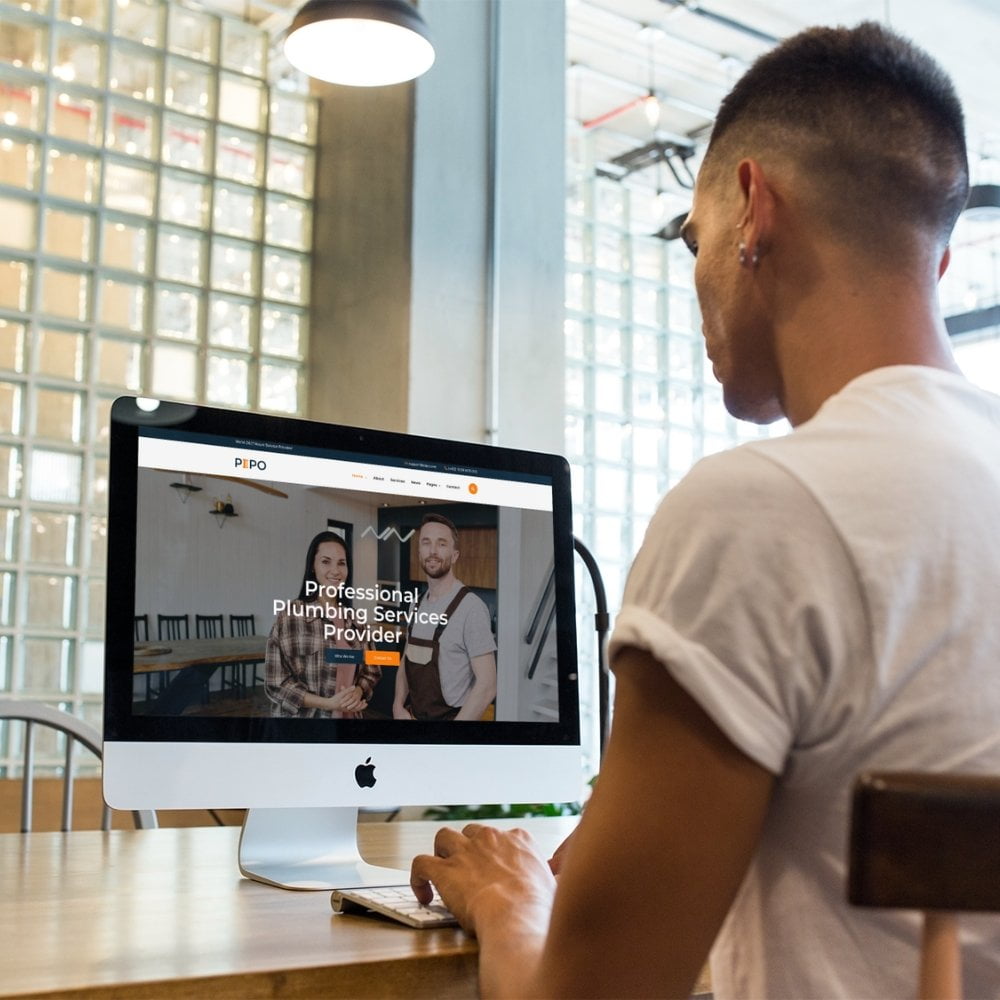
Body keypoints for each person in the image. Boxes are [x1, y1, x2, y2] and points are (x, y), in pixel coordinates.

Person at [408, 22, 1000, 999]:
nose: (697, 279)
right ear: (934, 267)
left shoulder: (760, 511)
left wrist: (510, 903)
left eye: (692, 241)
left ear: (750, 209)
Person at [393, 513, 497, 721]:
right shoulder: (416, 604)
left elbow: (488, 685)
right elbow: (406, 660)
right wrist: (397, 706)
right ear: (419, 551)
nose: (432, 551)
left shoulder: (471, 608)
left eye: (441, 544)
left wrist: (449, 738)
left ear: (455, 554)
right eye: (426, 543)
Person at [265, 530, 380, 718]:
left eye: (341, 563)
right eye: (326, 562)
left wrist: (358, 691)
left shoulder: (357, 621)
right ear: (312, 566)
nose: (335, 571)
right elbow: (275, 683)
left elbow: (372, 671)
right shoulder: (290, 617)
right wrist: (327, 704)